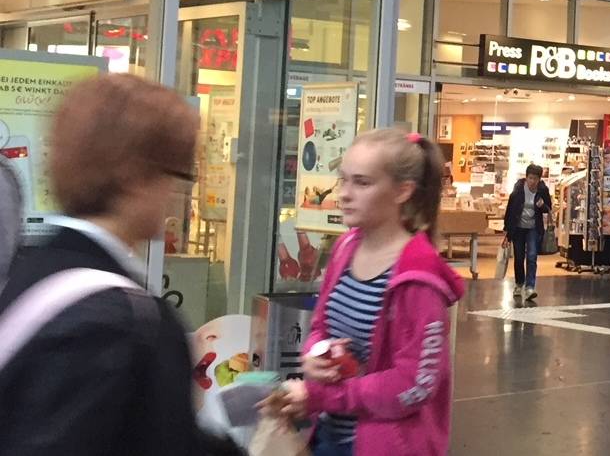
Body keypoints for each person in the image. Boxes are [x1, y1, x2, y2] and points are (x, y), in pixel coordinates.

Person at [0, 74, 238, 455]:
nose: (180, 192)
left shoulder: (31, 275)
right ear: (134, 176)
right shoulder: (125, 320)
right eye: (177, 174)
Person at [264, 128, 466, 456]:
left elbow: (414, 383)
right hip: (328, 437)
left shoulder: (419, 277)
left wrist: (323, 396)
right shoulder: (345, 248)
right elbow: (320, 328)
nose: (344, 194)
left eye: (362, 182)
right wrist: (317, 356)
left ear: (403, 191)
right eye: (342, 180)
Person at [502, 163, 551, 301]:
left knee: (531, 255)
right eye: (530, 178)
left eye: (535, 179)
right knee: (518, 257)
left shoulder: (542, 190)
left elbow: (548, 208)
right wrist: (507, 230)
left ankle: (530, 287)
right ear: (526, 177)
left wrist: (543, 206)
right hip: (518, 228)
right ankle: (519, 283)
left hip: (533, 228)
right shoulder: (518, 190)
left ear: (539, 179)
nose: (532, 181)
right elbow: (510, 210)